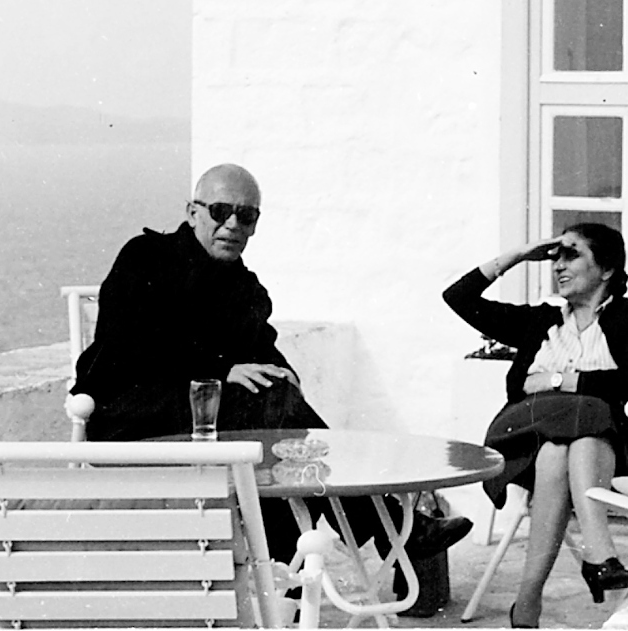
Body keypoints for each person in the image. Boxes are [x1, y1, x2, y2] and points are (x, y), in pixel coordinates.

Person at [73, 162, 471, 563]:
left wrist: (287, 375)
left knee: (283, 431)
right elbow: (130, 344)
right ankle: (383, 535)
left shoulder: (243, 286)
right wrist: (223, 370)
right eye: (220, 211)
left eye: (245, 216)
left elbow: (262, 350)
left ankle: (295, 570)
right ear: (193, 212)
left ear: (254, 225)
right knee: (282, 430)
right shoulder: (146, 257)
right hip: (134, 415)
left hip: (208, 420)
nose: (231, 224)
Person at [443, 224, 628, 627]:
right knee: (587, 415)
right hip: (523, 436)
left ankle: (527, 600)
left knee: (562, 447)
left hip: (593, 449)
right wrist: (519, 254)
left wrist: (558, 380)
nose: (558, 266)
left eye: (572, 255)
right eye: (555, 257)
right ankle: (599, 554)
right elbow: (457, 298)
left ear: (607, 269)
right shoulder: (539, 320)